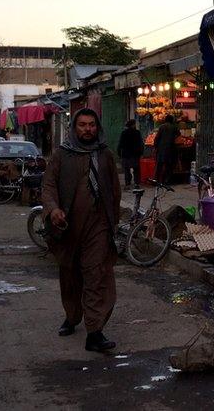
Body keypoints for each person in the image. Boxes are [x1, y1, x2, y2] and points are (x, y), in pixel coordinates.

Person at [41, 108, 122, 352]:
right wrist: (53, 209)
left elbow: (115, 191)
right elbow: (48, 185)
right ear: (74, 128)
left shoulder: (105, 154)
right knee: (71, 275)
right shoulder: (62, 155)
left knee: (96, 274)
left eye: (91, 125)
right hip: (68, 227)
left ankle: (94, 332)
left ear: (97, 128)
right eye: (82, 125)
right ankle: (72, 315)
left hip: (98, 226)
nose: (88, 129)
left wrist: (112, 223)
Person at [116, 119, 144, 187]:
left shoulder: (124, 133)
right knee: (136, 169)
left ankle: (127, 183)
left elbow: (120, 144)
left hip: (126, 154)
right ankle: (137, 183)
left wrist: (119, 153)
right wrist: (141, 153)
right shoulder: (137, 133)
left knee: (126, 170)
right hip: (135, 154)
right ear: (133, 125)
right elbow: (140, 143)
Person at [153, 115, 179, 184]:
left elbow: (157, 137)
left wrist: (155, 146)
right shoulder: (174, 127)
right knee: (169, 166)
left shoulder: (162, 127)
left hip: (161, 148)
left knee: (159, 165)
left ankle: (157, 180)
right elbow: (178, 134)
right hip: (171, 148)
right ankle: (166, 180)